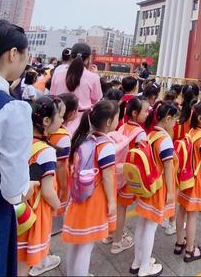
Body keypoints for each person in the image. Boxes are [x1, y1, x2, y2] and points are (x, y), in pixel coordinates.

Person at [0, 20, 35, 277]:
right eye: (24, 55)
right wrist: (25, 189)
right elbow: (12, 190)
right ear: (12, 54)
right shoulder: (11, 109)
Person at [62, 100, 119, 277]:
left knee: (76, 243)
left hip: (78, 197)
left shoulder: (84, 138)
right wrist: (111, 202)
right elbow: (108, 176)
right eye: (117, 118)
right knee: (86, 246)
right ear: (109, 122)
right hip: (94, 200)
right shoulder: (105, 145)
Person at [18, 96, 63, 277]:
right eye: (60, 116)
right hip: (32, 216)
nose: (62, 120)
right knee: (22, 266)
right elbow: (47, 192)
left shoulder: (22, 140)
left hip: (18, 208)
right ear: (46, 121)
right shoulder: (46, 152)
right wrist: (59, 207)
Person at [134, 103, 179, 277]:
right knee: (151, 226)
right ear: (167, 119)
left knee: (142, 223)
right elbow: (168, 167)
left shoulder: (150, 134)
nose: (175, 124)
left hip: (146, 185)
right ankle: (145, 266)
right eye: (174, 120)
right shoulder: (165, 139)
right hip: (158, 188)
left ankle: (138, 261)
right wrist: (170, 192)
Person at [109, 98, 150, 256]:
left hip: (115, 172)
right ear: (135, 113)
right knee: (121, 209)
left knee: (115, 207)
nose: (147, 114)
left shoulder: (122, 126)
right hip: (127, 175)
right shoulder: (140, 133)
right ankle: (117, 242)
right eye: (145, 111)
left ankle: (111, 234)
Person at [175, 101, 201, 263]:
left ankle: (179, 243)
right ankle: (190, 250)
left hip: (184, 177)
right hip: (195, 181)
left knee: (181, 210)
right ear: (200, 118)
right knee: (192, 215)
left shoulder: (191, 132)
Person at [50, 43, 103, 136]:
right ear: (89, 59)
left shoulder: (58, 75)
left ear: (71, 56)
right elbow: (96, 99)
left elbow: (52, 96)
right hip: (81, 123)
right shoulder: (93, 77)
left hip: (57, 119)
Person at [49, 93, 78, 235]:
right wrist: (64, 185)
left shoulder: (48, 130)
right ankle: (54, 229)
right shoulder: (63, 136)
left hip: (47, 175)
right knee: (56, 204)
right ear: (71, 112)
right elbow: (61, 165)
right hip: (56, 178)